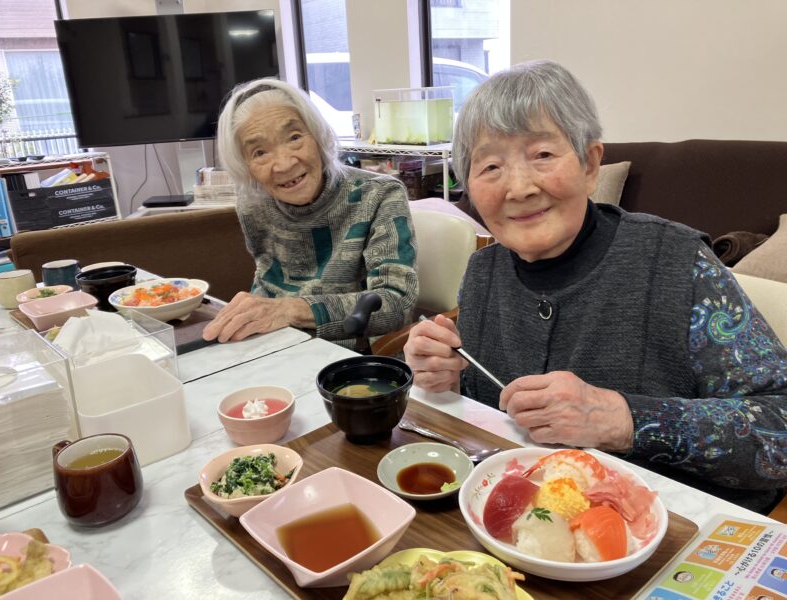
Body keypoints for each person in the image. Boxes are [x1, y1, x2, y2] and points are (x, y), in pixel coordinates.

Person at [404, 60, 787, 512]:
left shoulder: (677, 262)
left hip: (670, 530)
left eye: (542, 155)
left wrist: (623, 419)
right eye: (490, 166)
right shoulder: (483, 271)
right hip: (523, 524)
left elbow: (778, 427)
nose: (519, 188)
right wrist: (447, 380)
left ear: (590, 165)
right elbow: (492, 415)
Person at [203, 79, 418, 349]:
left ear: (318, 137)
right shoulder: (253, 205)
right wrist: (251, 316)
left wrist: (291, 310)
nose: (284, 164)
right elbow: (267, 280)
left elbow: (395, 303)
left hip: (352, 358)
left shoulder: (378, 195)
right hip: (278, 346)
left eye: (294, 138)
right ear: (245, 166)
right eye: (260, 152)